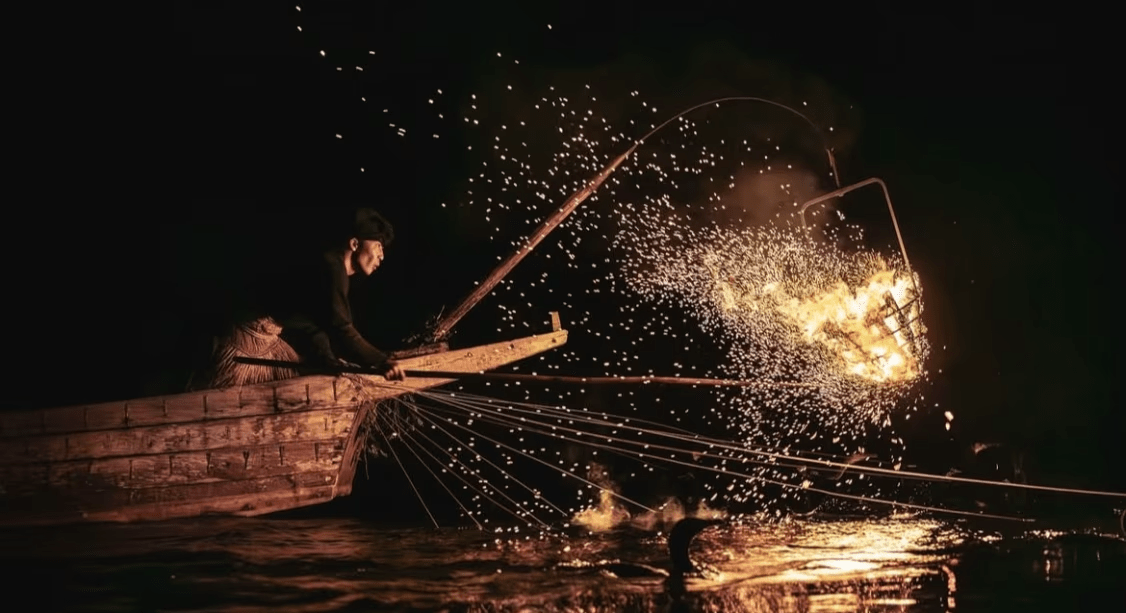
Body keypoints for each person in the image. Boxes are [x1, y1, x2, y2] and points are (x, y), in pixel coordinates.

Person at [198, 207, 406, 389]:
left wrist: (329, 360)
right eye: (378, 246)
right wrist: (382, 360)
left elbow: (313, 325)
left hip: (268, 338)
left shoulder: (335, 270)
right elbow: (340, 326)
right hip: (247, 338)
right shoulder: (331, 267)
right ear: (354, 243)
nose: (382, 255)